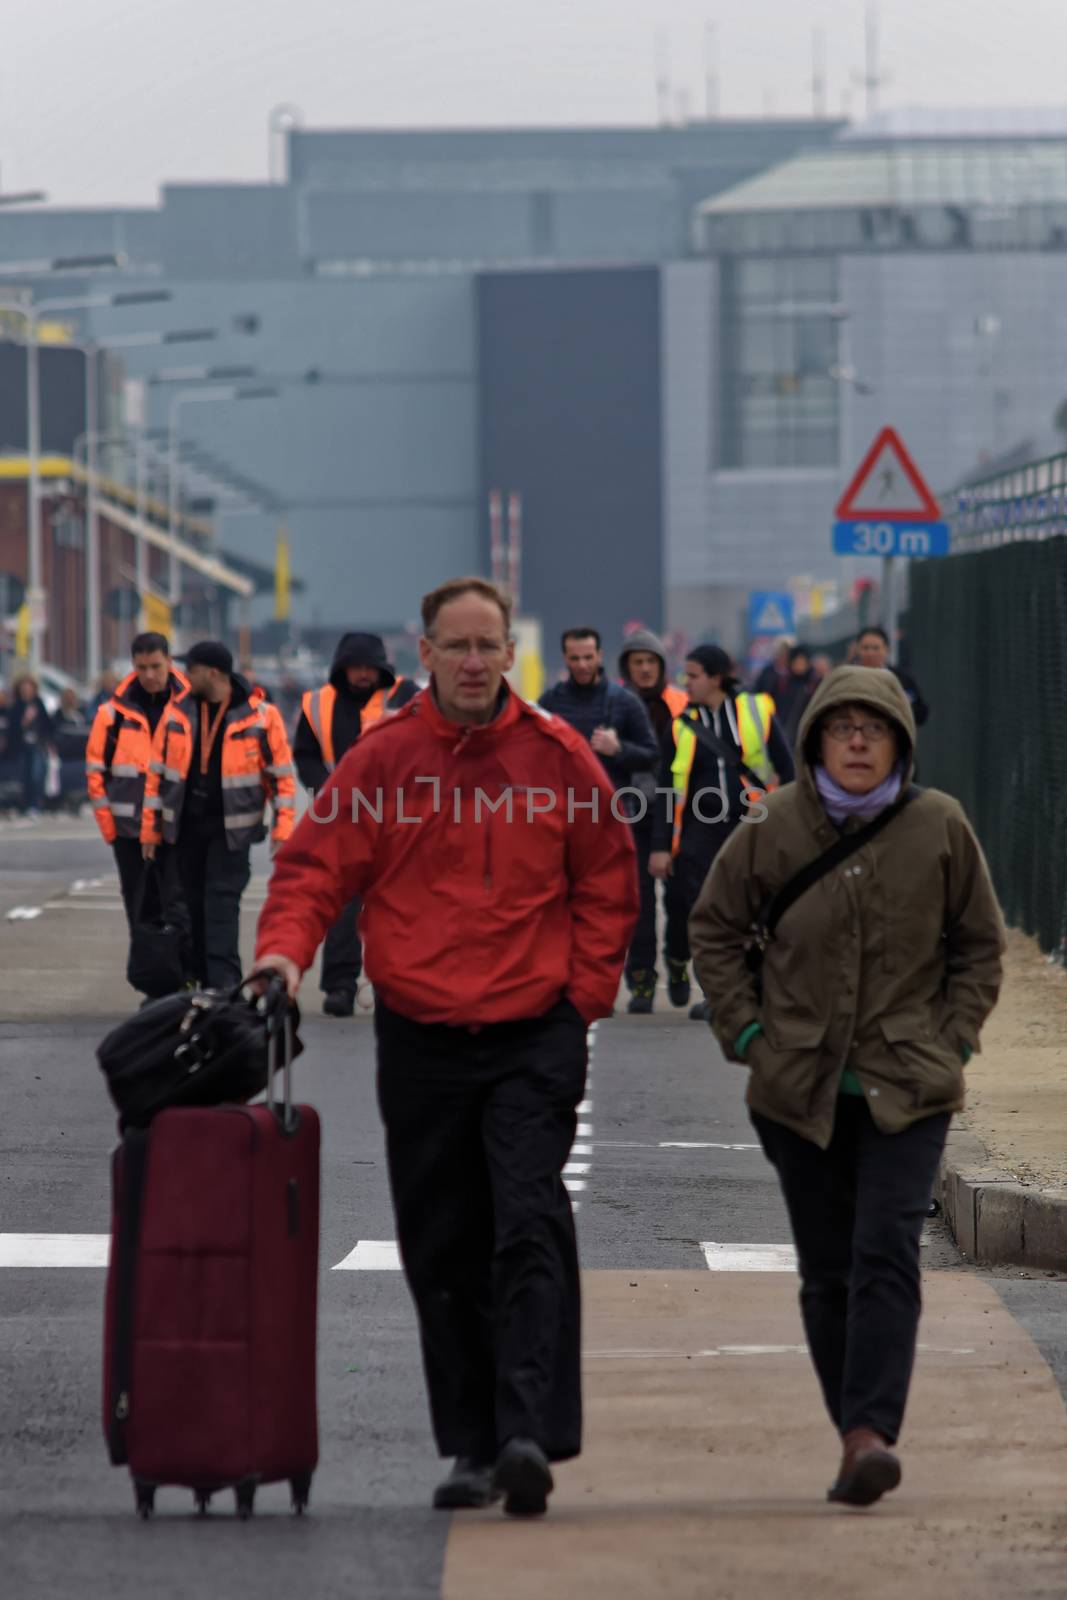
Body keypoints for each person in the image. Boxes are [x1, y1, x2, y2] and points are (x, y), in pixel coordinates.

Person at [254, 577, 637, 1518]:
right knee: (441, 1241)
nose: (473, 662)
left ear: (512, 654)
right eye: (455, 646)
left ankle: (525, 1435)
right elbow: (313, 869)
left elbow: (606, 883)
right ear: (422, 654)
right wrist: (280, 956)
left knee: (528, 1220)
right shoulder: (385, 758)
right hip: (420, 1035)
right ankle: (469, 1443)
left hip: (531, 1033)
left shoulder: (556, 757)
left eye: (488, 646)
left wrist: (579, 998)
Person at [689, 665, 1004, 1507]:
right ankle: (851, 1435)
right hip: (797, 1089)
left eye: (874, 726)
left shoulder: (939, 826)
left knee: (884, 1252)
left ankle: (870, 1431)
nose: (858, 740)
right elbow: (714, 931)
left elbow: (979, 945)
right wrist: (748, 1034)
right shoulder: (770, 824)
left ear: (899, 739)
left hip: (910, 1088)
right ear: (815, 739)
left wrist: (956, 1037)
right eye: (842, 726)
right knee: (828, 1271)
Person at [649, 644, 793, 1021]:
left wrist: (792, 823)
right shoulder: (680, 728)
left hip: (753, 827)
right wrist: (661, 846)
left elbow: (788, 770)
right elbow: (666, 790)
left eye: (693, 675)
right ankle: (717, 993)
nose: (687, 683)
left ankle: (755, 985)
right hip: (700, 834)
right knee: (707, 913)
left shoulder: (758, 711)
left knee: (755, 909)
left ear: (716, 678)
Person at [141, 640, 295, 989]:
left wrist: (282, 832)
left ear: (212, 673)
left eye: (190, 670)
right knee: (191, 906)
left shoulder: (261, 716)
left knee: (221, 906)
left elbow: (282, 779)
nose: (184, 676)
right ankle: (199, 980)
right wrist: (151, 831)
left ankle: (225, 984)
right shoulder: (177, 713)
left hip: (232, 833)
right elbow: (157, 775)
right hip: (186, 830)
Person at [293, 632, 418, 1017]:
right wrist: (327, 791)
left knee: (393, 908)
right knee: (344, 908)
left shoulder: (406, 695)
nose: (363, 674)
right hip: (343, 820)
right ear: (342, 668)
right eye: (356, 667)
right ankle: (339, 986)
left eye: (369, 667)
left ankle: (392, 986)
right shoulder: (317, 704)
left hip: (395, 822)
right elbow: (306, 755)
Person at [87, 634, 190, 980]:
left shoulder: (189, 706)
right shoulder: (112, 714)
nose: (149, 675)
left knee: (178, 906)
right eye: (141, 667)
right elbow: (95, 772)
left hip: (175, 827)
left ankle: (184, 976)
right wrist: (109, 829)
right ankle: (154, 980)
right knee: (139, 907)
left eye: (156, 667)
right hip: (129, 831)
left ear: (169, 662)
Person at [618, 628, 691, 1013]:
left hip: (678, 814)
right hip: (630, 814)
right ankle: (641, 981)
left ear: (661, 665)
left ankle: (679, 964)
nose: (645, 669)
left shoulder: (681, 702)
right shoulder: (616, 705)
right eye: (637, 662)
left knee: (681, 902)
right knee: (639, 903)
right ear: (626, 667)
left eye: (651, 662)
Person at [539, 627, 659, 795]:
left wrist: (619, 749)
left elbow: (652, 757)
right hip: (563, 809)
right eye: (575, 658)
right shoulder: (549, 702)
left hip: (613, 809)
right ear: (565, 658)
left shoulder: (625, 701)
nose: (582, 665)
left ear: (599, 655)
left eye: (588, 657)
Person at [856, 626, 929, 727]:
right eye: (865, 648)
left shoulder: (902, 679)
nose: (870, 653)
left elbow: (920, 712)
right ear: (858, 650)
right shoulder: (850, 679)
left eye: (875, 648)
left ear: (886, 650)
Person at [9, 674, 53, 817]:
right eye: (24, 688)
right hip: (22, 745)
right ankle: (25, 805)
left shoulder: (39, 704)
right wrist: (25, 721)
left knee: (37, 774)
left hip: (37, 744)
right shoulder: (17, 706)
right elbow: (13, 727)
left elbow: (47, 725)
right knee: (24, 776)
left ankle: (36, 804)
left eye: (29, 688)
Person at [772, 644, 818, 747]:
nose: (799, 666)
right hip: (787, 733)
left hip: (809, 734)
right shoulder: (782, 684)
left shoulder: (814, 684)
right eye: (797, 662)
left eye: (802, 662)